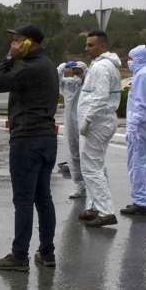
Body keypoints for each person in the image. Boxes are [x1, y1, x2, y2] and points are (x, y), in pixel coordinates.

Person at [0, 24, 59, 271]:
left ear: (28, 43)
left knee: (24, 200)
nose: (13, 45)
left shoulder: (31, 68)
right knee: (43, 197)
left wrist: (9, 58)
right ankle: (47, 252)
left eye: (17, 41)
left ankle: (19, 256)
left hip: (27, 140)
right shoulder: (48, 65)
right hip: (46, 139)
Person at [76, 31, 122, 228]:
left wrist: (87, 120)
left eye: (91, 45)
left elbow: (100, 97)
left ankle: (106, 212)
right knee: (95, 166)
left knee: (91, 168)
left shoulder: (102, 67)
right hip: (99, 122)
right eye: (86, 45)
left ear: (102, 46)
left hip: (97, 123)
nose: (86, 49)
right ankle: (95, 206)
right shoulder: (101, 65)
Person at [120, 45, 146, 216]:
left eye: (131, 58)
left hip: (140, 126)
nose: (129, 62)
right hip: (145, 124)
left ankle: (141, 202)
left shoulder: (143, 75)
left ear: (139, 59)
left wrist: (133, 126)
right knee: (144, 163)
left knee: (137, 164)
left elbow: (140, 105)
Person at [57, 59, 88, 199]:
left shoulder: (88, 85)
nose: (76, 76)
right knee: (73, 155)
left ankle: (92, 185)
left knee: (87, 155)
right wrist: (62, 68)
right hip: (70, 123)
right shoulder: (69, 84)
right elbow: (56, 80)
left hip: (85, 123)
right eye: (74, 73)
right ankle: (79, 186)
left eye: (79, 73)